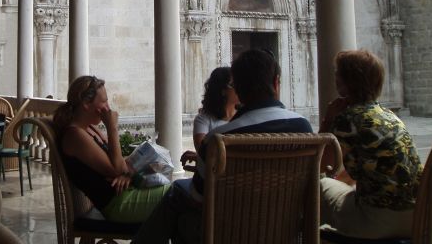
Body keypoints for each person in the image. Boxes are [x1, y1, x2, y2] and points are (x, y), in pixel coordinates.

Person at [132, 49, 313, 244]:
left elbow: (199, 197)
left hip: (227, 232)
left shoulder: (218, 140)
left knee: (178, 196)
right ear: (276, 83)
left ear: (239, 90)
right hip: (283, 230)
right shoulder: (303, 129)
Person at [319, 50, 422, 240]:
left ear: (345, 82)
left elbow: (321, 165)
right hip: (417, 218)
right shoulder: (390, 116)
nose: (335, 77)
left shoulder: (347, 119)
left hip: (378, 221)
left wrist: (328, 120)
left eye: (337, 73)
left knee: (321, 185)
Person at [53, 75, 170, 223]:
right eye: (104, 102)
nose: (108, 108)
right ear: (86, 104)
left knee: (180, 197)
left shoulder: (90, 129)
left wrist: (127, 174)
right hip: (118, 205)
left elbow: (120, 164)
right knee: (177, 193)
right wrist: (112, 127)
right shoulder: (74, 135)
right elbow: (117, 169)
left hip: (125, 194)